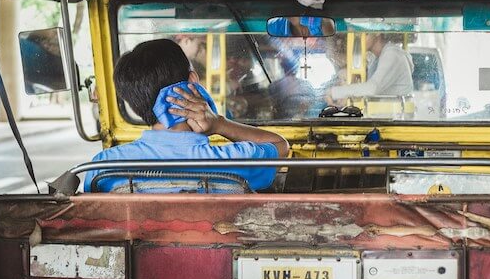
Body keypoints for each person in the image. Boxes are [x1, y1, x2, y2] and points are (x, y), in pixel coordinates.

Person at [83, 39, 289, 193]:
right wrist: (219, 124)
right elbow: (281, 146)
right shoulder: (238, 158)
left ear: (134, 102)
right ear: (192, 81)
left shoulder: (104, 166)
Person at [327, 33, 413, 102]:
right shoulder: (375, 58)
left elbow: (372, 88)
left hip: (396, 118)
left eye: (365, 34)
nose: (360, 38)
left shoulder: (392, 54)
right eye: (357, 35)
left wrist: (335, 92)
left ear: (377, 32)